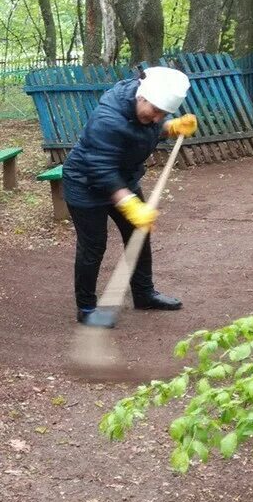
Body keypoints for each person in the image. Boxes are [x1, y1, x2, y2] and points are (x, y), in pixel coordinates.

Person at [60, 66, 198, 326]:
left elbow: (148, 128)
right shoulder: (108, 119)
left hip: (122, 178)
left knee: (139, 233)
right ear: (141, 97)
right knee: (93, 247)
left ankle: (144, 293)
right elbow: (100, 167)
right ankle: (87, 309)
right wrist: (128, 202)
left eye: (164, 114)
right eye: (156, 111)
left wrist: (172, 127)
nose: (158, 118)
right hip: (86, 184)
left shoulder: (146, 112)